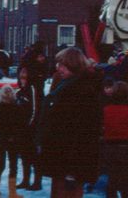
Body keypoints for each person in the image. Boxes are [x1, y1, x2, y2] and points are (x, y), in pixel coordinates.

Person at [36, 47, 102, 198]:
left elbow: (83, 133)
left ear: (73, 65)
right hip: (62, 160)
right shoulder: (67, 86)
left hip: (69, 163)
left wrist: (72, 170)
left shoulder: (82, 92)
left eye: (62, 65)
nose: (58, 68)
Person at [102, 81, 128, 198]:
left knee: (112, 178)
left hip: (109, 146)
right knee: (127, 179)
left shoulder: (105, 109)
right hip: (125, 147)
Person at [0, 85, 24, 198]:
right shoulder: (17, 108)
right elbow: (21, 125)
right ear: (13, 95)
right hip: (13, 139)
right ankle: (12, 193)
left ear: (1, 95)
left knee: (0, 164)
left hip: (1, 138)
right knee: (13, 165)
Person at [15, 68, 42, 191]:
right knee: (24, 156)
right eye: (21, 78)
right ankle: (25, 180)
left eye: (25, 78)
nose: (23, 81)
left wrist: (30, 125)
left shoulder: (32, 89)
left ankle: (37, 182)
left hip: (31, 129)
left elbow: (35, 110)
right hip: (21, 130)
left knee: (34, 157)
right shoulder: (19, 92)